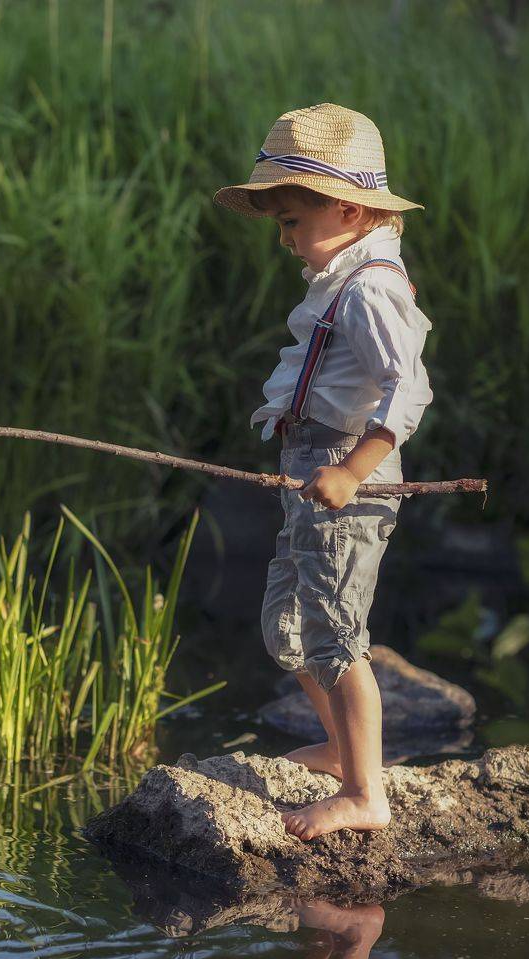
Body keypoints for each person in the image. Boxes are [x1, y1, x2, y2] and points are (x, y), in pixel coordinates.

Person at [213, 103, 432, 841]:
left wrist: (353, 470)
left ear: (346, 208)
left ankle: (367, 793)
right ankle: (342, 749)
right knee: (288, 627)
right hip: (311, 467)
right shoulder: (340, 278)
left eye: (292, 221)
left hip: (348, 472)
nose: (283, 239)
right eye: (277, 223)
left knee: (338, 633)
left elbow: (410, 390)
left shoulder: (372, 289)